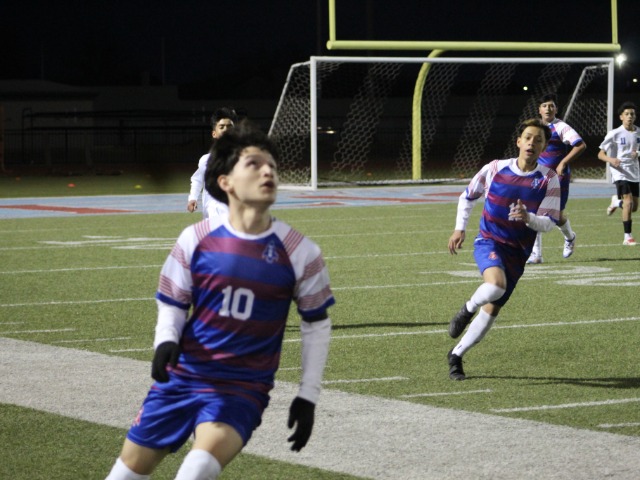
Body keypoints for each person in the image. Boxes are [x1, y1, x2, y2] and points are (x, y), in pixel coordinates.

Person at [106, 121, 335, 479]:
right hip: (182, 377)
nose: (267, 171)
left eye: (271, 165)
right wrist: (165, 340)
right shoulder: (195, 238)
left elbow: (316, 324)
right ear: (226, 182)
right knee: (124, 475)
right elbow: (174, 301)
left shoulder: (300, 251)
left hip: (241, 389)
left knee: (196, 471)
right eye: (254, 164)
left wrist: (308, 395)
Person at [446, 118, 561, 381]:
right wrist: (459, 228)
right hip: (490, 240)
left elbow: (548, 223)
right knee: (496, 285)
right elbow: (468, 196)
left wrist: (528, 218)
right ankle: (466, 310)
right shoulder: (495, 168)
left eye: (539, 140)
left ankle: (456, 355)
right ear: (519, 141)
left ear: (544, 148)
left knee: (493, 309)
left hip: (518, 252)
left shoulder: (549, 179)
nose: (532, 143)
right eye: (528, 137)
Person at [526, 93, 586, 264]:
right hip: (538, 176)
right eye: (544, 106)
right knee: (534, 212)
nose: (548, 108)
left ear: (556, 109)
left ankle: (570, 237)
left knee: (556, 215)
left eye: (551, 105)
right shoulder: (535, 127)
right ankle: (536, 254)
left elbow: (580, 145)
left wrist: (563, 162)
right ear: (539, 109)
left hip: (558, 178)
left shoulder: (561, 127)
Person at [599, 101, 640, 245]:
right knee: (628, 201)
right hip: (619, 172)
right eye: (626, 114)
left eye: (632, 114)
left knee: (634, 207)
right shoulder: (614, 133)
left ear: (635, 116)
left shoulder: (638, 132)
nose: (630, 116)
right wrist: (611, 160)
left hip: (634, 172)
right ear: (621, 117)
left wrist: (638, 153)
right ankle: (627, 237)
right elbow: (600, 154)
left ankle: (616, 201)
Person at [187, 107, 238, 219]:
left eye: (229, 127)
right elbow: (198, 179)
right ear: (214, 134)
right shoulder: (206, 160)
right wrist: (192, 198)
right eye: (222, 127)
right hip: (210, 216)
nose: (226, 130)